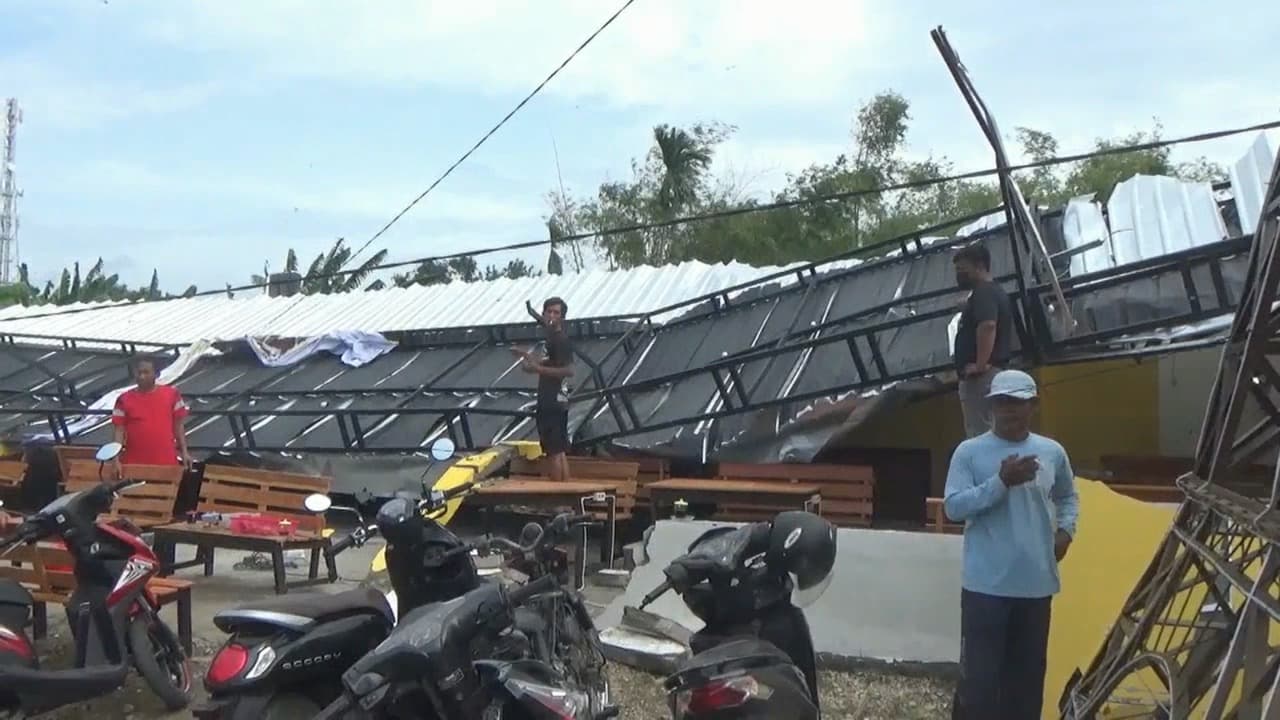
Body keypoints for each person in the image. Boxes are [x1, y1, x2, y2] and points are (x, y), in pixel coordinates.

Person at [943, 369, 1080, 720]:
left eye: (1018, 402)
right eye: (1002, 402)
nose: (1010, 410)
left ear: (1033, 405)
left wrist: (1066, 532)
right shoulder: (969, 453)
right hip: (985, 587)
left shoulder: (1052, 452)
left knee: (1026, 685)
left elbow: (1068, 496)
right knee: (979, 686)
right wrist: (1000, 482)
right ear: (990, 407)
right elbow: (954, 507)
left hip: (1036, 586)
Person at [952, 242, 1014, 438]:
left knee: (980, 435)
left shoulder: (984, 292)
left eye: (962, 269)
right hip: (989, 374)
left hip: (981, 378)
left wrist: (980, 365)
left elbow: (988, 325)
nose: (959, 275)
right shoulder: (991, 291)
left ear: (979, 266)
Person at [511, 297, 575, 482]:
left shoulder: (561, 340)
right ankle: (565, 497)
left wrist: (537, 369)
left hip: (552, 400)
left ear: (562, 317)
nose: (552, 316)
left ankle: (558, 497)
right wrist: (526, 357)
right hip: (557, 401)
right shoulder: (551, 336)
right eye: (549, 312)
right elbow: (547, 363)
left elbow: (569, 371)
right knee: (559, 450)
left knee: (553, 452)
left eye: (557, 313)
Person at [111, 356, 192, 476]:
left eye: (146, 372)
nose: (142, 376)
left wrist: (184, 452)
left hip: (167, 464)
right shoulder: (123, 400)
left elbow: (178, 427)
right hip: (134, 466)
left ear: (156, 374)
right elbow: (118, 432)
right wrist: (115, 459)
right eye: (139, 372)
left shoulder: (172, 394)